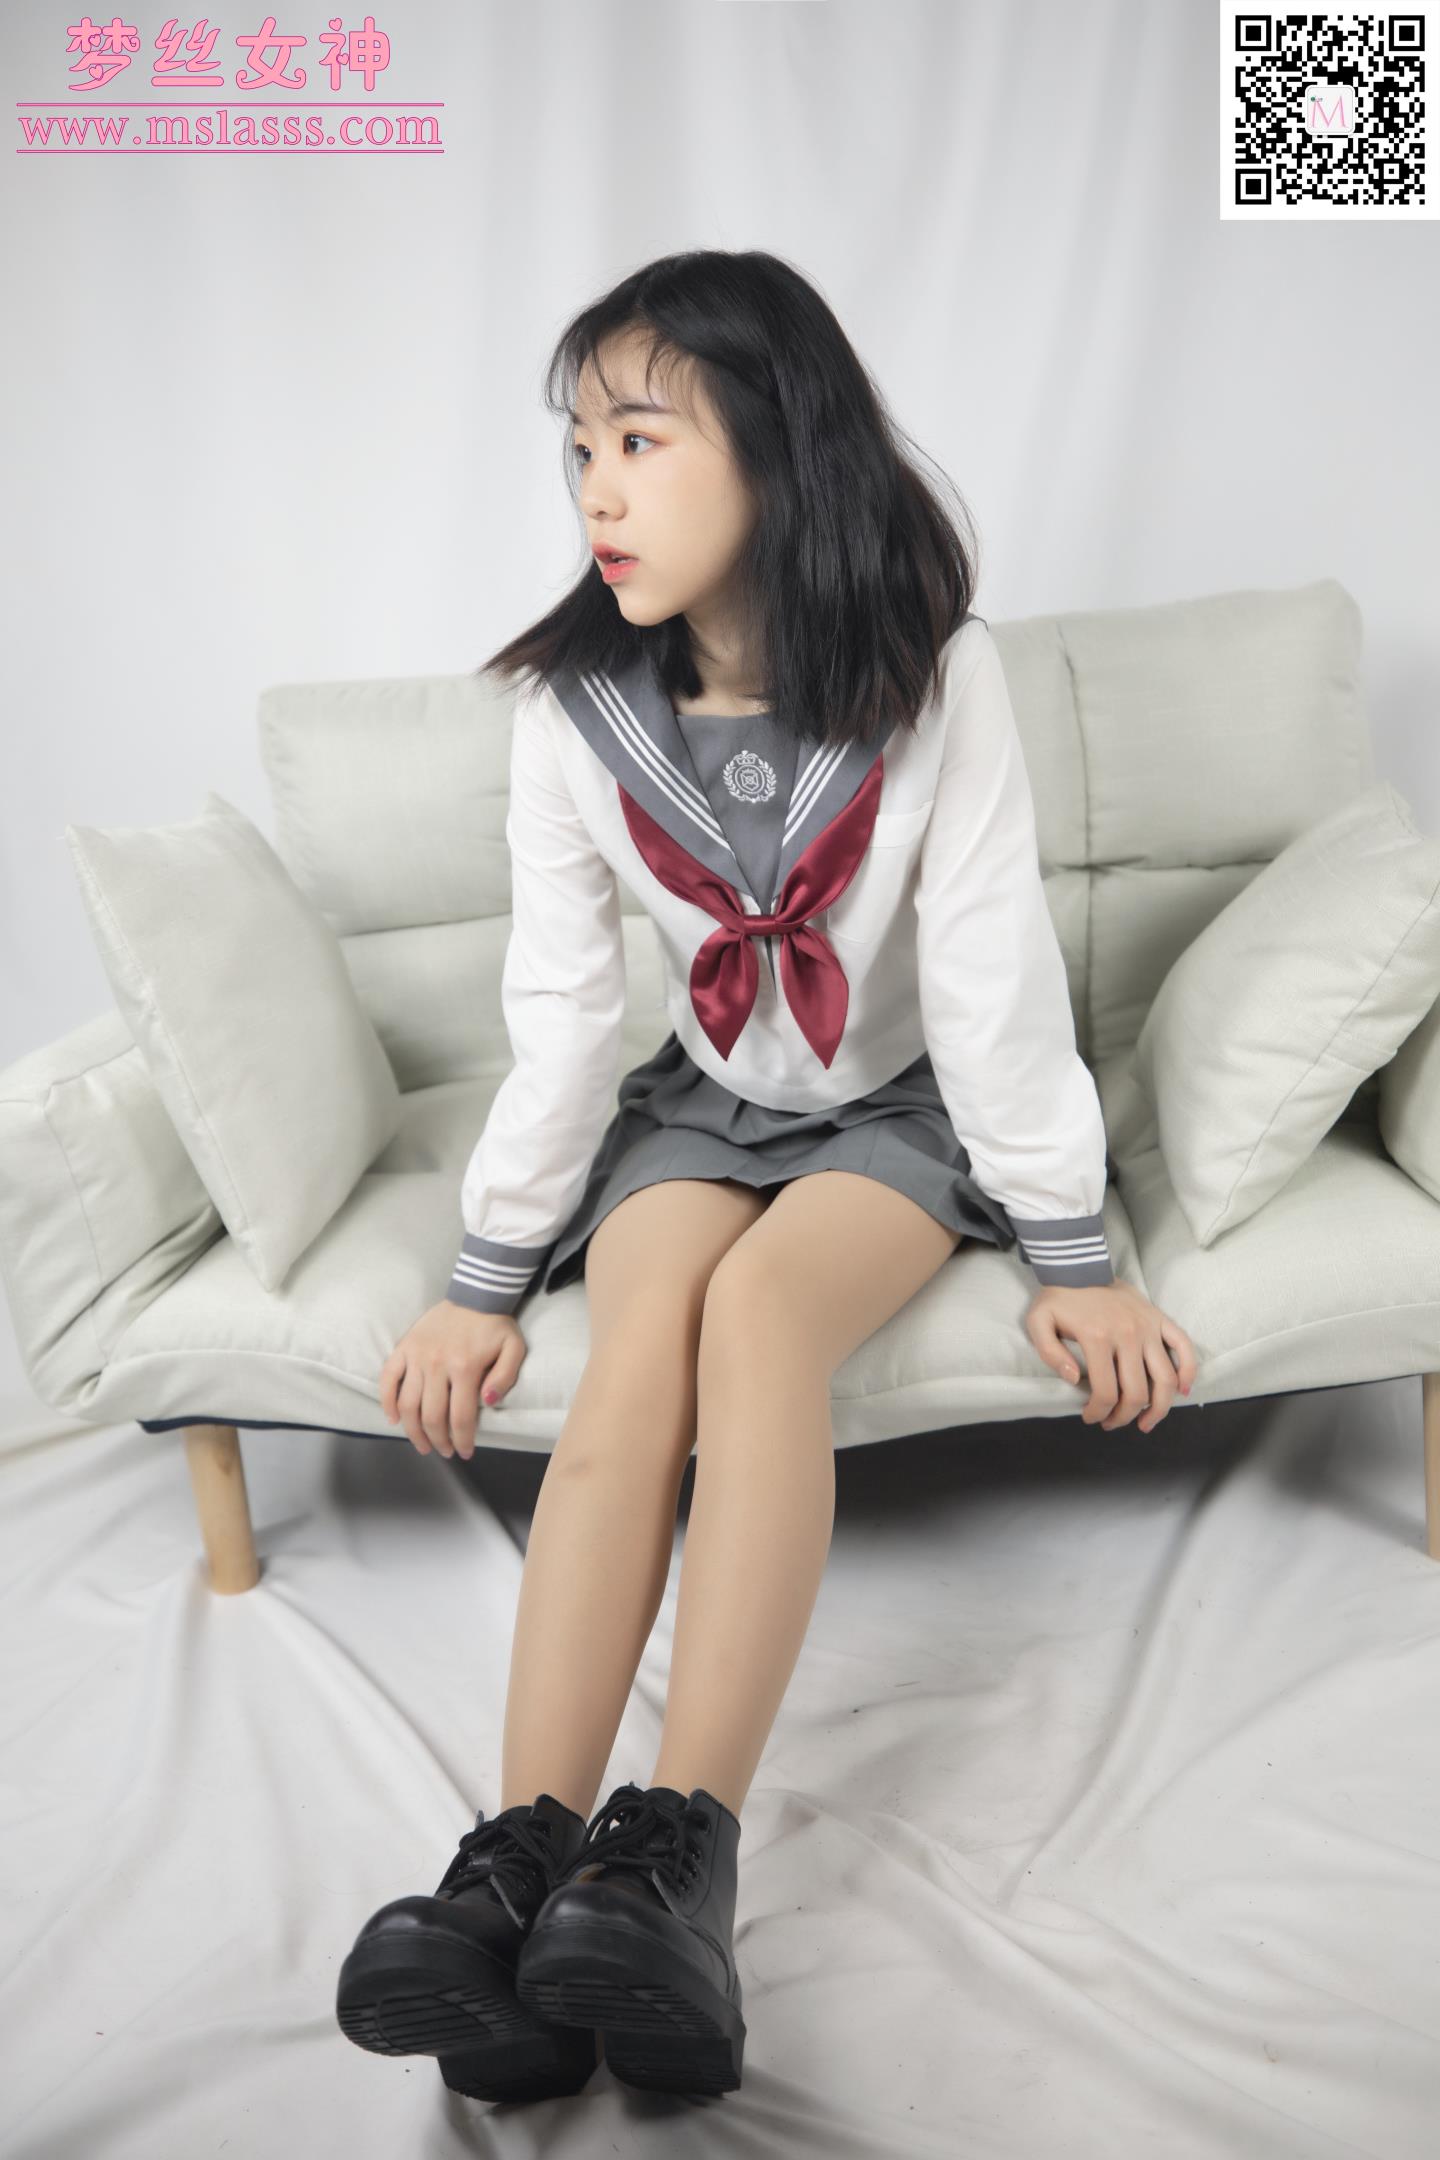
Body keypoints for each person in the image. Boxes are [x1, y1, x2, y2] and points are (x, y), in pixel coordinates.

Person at [335, 248, 1198, 2106]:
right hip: (702, 1101)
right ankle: (516, 1873)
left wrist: (1074, 1252)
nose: (599, 490)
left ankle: (673, 1872)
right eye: (580, 449)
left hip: (903, 1108)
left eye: (642, 441)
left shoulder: (935, 679)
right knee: (638, 1332)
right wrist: (486, 1279)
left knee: (759, 1318)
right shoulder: (569, 714)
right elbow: (565, 1017)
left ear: (780, 448)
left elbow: (992, 980)